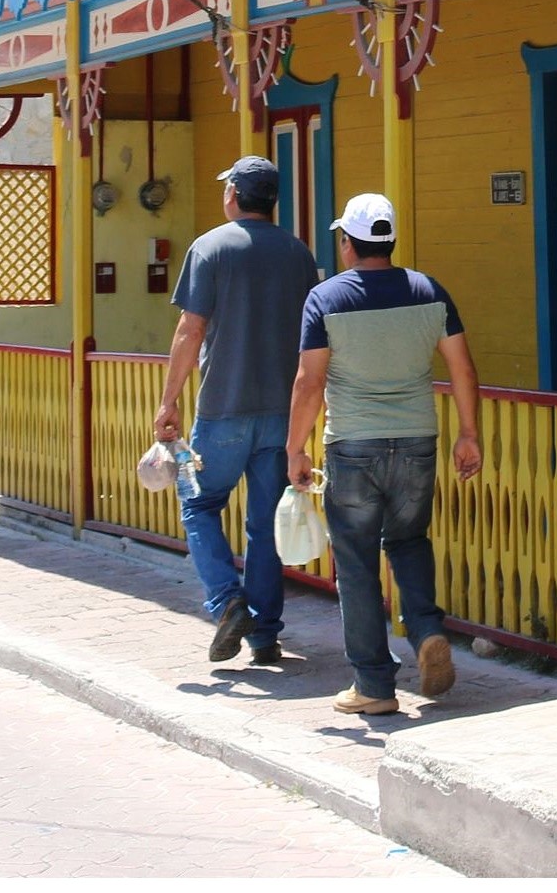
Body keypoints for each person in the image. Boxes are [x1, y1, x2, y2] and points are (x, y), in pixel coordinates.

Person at [288, 192, 481, 717]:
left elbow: (310, 381)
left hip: (352, 446)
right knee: (409, 541)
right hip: (417, 440)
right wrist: (468, 433)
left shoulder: (326, 298)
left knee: (354, 562)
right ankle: (425, 631)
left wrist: (295, 449)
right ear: (390, 240)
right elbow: (462, 369)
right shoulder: (429, 291)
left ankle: (374, 684)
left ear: (347, 244)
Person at [153, 157, 318, 667]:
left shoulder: (210, 247)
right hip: (281, 412)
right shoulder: (298, 254)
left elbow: (191, 330)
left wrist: (169, 399)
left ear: (233, 196)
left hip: (223, 407)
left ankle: (228, 600)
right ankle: (265, 635)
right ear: (272, 200)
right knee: (266, 521)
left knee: (200, 505)